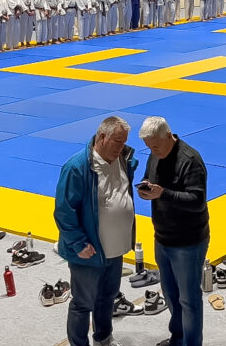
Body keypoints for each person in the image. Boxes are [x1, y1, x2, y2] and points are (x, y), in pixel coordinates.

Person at [54, 116, 137, 346]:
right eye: (117, 142)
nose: (121, 148)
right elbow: (64, 211)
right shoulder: (77, 167)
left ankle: (103, 338)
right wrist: (78, 243)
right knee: (83, 303)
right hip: (88, 250)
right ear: (102, 137)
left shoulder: (124, 159)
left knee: (107, 298)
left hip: (116, 248)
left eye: (124, 143)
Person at [138, 117, 209, 346]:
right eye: (149, 147)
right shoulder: (155, 153)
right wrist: (145, 188)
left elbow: (197, 200)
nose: (152, 151)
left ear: (169, 136)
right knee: (170, 295)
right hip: (162, 238)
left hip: (188, 242)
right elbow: (150, 178)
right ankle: (178, 339)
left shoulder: (190, 160)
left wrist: (163, 194)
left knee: (189, 300)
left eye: (155, 146)